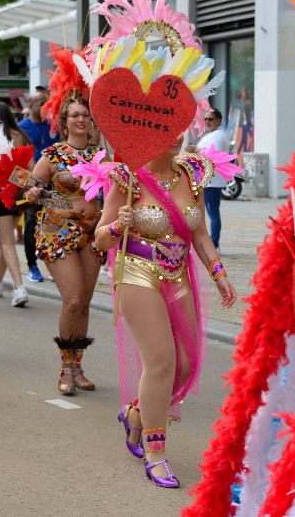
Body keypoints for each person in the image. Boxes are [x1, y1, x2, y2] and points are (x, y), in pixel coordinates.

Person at [95, 135, 238, 488]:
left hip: (179, 274)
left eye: (181, 127)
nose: (176, 136)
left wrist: (218, 273)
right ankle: (156, 453)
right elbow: (99, 238)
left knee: (186, 364)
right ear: (149, 130)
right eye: (166, 128)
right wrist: (118, 225)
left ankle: (137, 413)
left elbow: (200, 234)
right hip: (136, 273)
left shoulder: (192, 173)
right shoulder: (126, 177)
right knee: (161, 362)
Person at [24, 93, 105, 394]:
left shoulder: (101, 157)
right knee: (72, 299)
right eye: (74, 115)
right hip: (58, 232)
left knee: (83, 304)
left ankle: (78, 367)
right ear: (64, 121)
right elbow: (31, 187)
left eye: (85, 115)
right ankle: (65, 369)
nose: (81, 119)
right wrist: (35, 194)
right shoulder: (54, 155)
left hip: (93, 233)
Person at [0, 102, 33, 307]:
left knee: (7, 242)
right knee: (6, 239)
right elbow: (31, 167)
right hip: (20, 192)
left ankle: (19, 288)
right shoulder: (21, 135)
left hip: (1, 193)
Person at [19, 87, 58, 283]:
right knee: (31, 225)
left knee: (53, 226)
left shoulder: (54, 126)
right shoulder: (21, 127)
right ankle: (32, 266)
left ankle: (52, 262)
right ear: (31, 105)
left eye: (47, 102)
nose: (45, 106)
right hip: (32, 186)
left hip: (54, 185)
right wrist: (31, 183)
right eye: (41, 103)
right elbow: (17, 158)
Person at [194, 108, 231, 249]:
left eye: (211, 119)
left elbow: (210, 154)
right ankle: (212, 242)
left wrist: (195, 151)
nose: (207, 122)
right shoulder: (213, 134)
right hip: (208, 180)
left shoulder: (218, 135)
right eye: (206, 119)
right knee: (211, 212)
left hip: (212, 181)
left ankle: (214, 244)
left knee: (213, 212)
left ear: (218, 120)